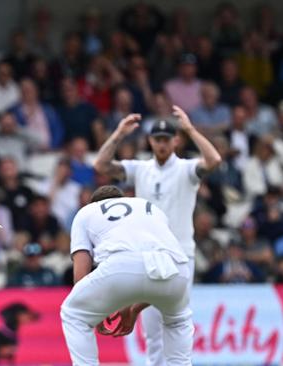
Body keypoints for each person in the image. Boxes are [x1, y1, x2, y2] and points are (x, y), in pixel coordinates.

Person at [93, 107, 221, 365]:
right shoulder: (141, 169)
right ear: (150, 141)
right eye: (157, 139)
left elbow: (214, 160)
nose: (161, 144)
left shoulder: (186, 169)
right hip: (148, 255)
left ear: (175, 140)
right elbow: (101, 165)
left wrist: (191, 129)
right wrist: (118, 134)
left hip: (181, 255)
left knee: (176, 321)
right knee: (152, 331)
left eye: (166, 138)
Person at [60, 185, 193, 365]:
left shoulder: (87, 212)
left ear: (94, 203)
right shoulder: (150, 207)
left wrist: (94, 309)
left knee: (73, 313)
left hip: (121, 264)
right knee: (178, 320)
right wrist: (133, 309)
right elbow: (154, 273)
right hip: (176, 268)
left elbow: (81, 273)